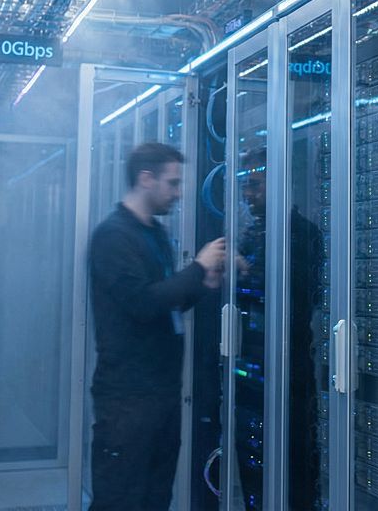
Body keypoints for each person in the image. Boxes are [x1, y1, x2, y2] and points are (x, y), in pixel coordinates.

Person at [88, 143, 227, 511]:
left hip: (162, 394)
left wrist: (202, 283)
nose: (179, 193)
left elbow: (169, 302)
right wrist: (197, 268)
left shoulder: (156, 234)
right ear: (145, 179)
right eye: (173, 183)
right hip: (127, 399)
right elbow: (143, 304)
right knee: (119, 498)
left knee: (155, 497)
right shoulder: (113, 236)